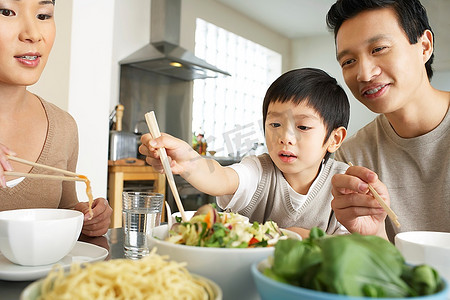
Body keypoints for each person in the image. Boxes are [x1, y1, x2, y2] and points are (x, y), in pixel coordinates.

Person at [140, 68, 350, 238]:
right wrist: (188, 160)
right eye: (275, 124)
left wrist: (307, 237)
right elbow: (222, 178)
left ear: (334, 139)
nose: (285, 137)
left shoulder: (344, 184)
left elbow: (353, 247)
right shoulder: (259, 170)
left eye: (303, 127)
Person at [326, 0, 450, 241]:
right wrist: (374, 235)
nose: (364, 74)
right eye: (349, 61)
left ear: (424, 46)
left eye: (379, 49)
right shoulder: (354, 159)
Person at [0, 0, 112, 237]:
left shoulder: (63, 127)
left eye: (43, 15)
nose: (33, 34)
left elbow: (64, 209)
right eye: (6, 11)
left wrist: (84, 217)